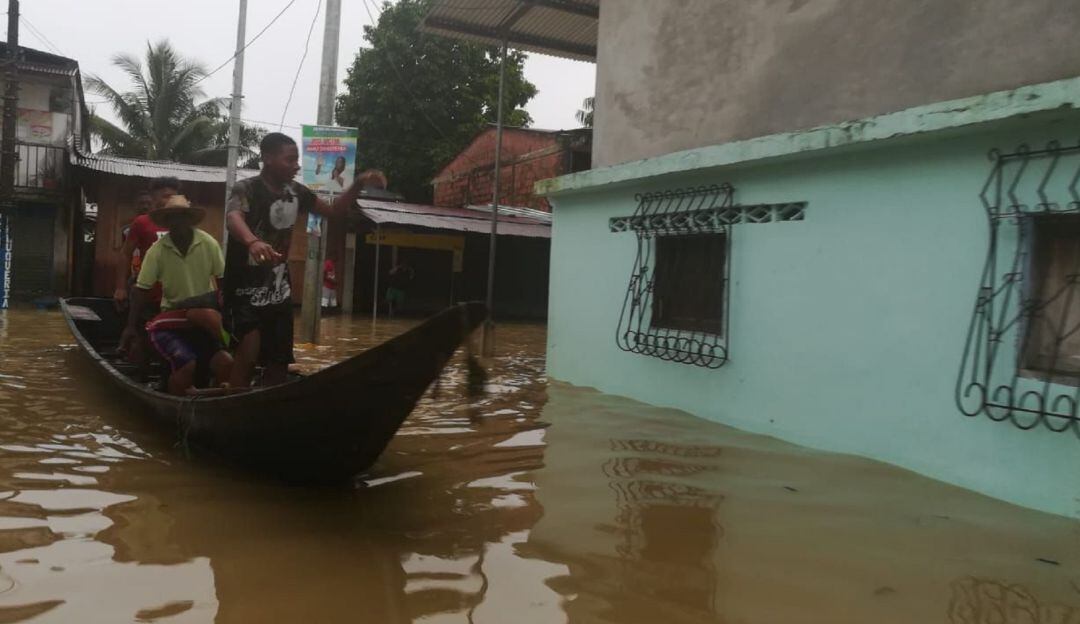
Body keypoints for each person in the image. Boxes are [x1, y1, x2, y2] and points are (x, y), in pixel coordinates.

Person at [223, 133, 366, 387]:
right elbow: (233, 218)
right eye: (289, 160)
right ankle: (232, 400)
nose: (296, 166)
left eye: (297, 160)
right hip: (244, 284)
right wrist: (253, 241)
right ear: (267, 158)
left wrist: (357, 186)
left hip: (278, 286)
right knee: (249, 347)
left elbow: (333, 212)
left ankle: (268, 404)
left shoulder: (297, 192)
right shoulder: (247, 188)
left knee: (279, 356)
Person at [122, 195, 232, 396]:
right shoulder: (158, 250)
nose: (178, 222)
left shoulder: (208, 243)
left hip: (205, 317)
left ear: (189, 219)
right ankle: (181, 403)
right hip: (172, 319)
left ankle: (213, 393)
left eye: (182, 217)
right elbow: (141, 290)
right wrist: (131, 327)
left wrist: (228, 318)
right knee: (186, 364)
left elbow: (224, 283)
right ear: (167, 222)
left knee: (226, 363)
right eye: (172, 218)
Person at [114, 178, 181, 365]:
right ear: (154, 198)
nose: (169, 200)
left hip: (176, 295)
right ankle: (138, 374)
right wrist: (120, 288)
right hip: (147, 291)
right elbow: (125, 254)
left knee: (171, 340)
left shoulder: (182, 224)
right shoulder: (142, 222)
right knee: (142, 339)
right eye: (165, 196)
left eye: (173, 196)